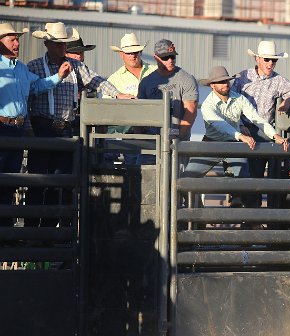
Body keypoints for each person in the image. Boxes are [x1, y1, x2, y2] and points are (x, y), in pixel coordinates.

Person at [26, 22, 132, 228]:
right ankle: (32, 230)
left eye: (64, 44)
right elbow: (28, 97)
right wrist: (29, 128)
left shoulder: (76, 67)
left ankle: (50, 232)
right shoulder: (34, 66)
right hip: (42, 127)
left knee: (60, 183)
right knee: (38, 181)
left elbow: (97, 81)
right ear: (47, 44)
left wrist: (117, 94)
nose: (62, 48)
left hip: (64, 129)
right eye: (58, 44)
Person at [0, 22, 71, 229]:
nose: (17, 44)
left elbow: (37, 85)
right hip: (3, 127)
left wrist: (58, 77)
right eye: (12, 40)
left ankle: (7, 232)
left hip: (16, 130)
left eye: (17, 40)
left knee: (10, 181)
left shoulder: (21, 68)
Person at [188, 66, 289, 207]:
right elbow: (220, 125)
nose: (225, 84)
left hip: (233, 144)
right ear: (212, 85)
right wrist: (240, 136)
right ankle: (198, 209)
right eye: (220, 82)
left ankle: (247, 214)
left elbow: (256, 119)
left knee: (244, 181)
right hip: (212, 143)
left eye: (226, 81)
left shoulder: (239, 98)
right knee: (187, 177)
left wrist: (275, 135)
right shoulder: (207, 105)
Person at [230, 40, 290, 208]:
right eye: (267, 59)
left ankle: (251, 212)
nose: (271, 64)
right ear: (257, 59)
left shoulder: (278, 81)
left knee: (256, 175)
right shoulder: (241, 78)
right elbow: (230, 104)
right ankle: (241, 202)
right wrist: (239, 124)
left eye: (273, 60)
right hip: (241, 130)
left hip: (263, 133)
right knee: (240, 170)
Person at [107, 33, 158, 164]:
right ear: (121, 54)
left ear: (140, 52)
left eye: (136, 52)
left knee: (154, 166)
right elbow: (108, 109)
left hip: (155, 131)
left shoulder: (156, 71)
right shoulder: (114, 79)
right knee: (133, 166)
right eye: (129, 53)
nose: (133, 55)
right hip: (130, 133)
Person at [138, 39, 198, 142]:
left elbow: (191, 112)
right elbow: (140, 113)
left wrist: (178, 137)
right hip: (152, 141)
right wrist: (141, 139)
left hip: (177, 141)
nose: (170, 60)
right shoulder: (146, 82)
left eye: (173, 56)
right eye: (165, 57)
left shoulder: (187, 79)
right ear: (156, 58)